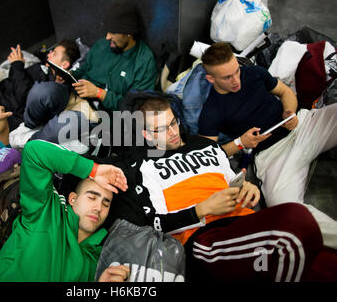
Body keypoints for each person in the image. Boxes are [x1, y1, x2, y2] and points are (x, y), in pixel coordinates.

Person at [104, 93, 337, 282]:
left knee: (326, 264)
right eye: (161, 129)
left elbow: (234, 182)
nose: (173, 132)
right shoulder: (139, 166)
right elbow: (149, 223)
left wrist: (249, 189)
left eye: (173, 123)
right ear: (146, 134)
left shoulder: (205, 145)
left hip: (247, 223)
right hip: (204, 240)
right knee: (295, 220)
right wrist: (200, 210)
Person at [197, 42, 337, 249]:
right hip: (272, 155)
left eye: (237, 71)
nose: (237, 80)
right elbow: (207, 154)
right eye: (228, 77)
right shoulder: (211, 111)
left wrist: (289, 111)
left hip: (301, 127)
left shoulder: (253, 73)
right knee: (285, 211)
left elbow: (285, 93)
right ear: (211, 79)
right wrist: (239, 143)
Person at [0, 139, 130, 282]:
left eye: (106, 203)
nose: (98, 208)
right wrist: (94, 170)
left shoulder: (98, 262)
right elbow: (34, 151)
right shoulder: (45, 212)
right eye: (92, 197)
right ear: (72, 199)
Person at [26, 1, 158, 144]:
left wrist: (99, 93)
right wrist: (68, 76)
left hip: (98, 113)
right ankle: (27, 127)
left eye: (112, 32)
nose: (107, 37)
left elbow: (135, 107)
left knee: (59, 127)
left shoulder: (144, 62)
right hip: (74, 92)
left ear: (129, 34)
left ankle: (28, 148)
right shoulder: (102, 45)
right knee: (39, 91)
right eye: (107, 31)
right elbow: (84, 68)